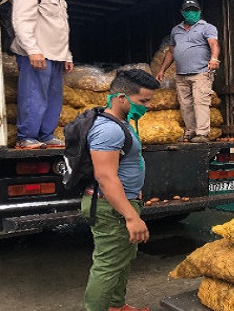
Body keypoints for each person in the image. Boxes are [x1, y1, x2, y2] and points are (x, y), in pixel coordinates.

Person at [81, 69, 160, 311]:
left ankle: (117, 306)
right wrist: (131, 216)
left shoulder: (121, 123)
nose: (147, 106)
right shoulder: (109, 129)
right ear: (122, 98)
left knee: (122, 260)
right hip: (112, 206)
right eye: (143, 101)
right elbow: (105, 177)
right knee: (107, 265)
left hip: (122, 202)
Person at [10, 0, 74, 149]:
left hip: (55, 55)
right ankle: (26, 137)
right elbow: (21, 21)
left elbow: (61, 29)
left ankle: (46, 135)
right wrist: (32, 50)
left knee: (53, 97)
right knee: (33, 95)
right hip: (38, 53)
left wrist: (67, 56)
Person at [155, 0, 220, 143]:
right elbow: (171, 51)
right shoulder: (176, 30)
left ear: (199, 11)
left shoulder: (207, 27)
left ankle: (202, 134)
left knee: (200, 102)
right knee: (185, 104)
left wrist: (214, 58)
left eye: (194, 10)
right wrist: (161, 70)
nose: (191, 13)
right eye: (188, 10)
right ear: (182, 12)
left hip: (201, 72)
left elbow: (214, 44)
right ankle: (190, 131)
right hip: (181, 74)